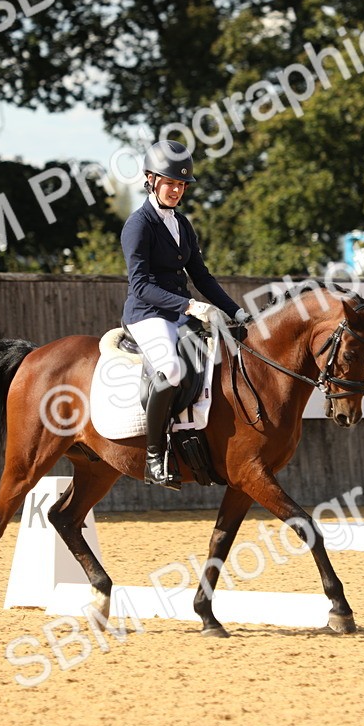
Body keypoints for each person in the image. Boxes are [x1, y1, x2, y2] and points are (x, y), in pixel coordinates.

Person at [121, 140, 250, 489]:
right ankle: (154, 457)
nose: (177, 190)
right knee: (172, 369)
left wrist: (237, 311)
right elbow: (141, 285)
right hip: (148, 314)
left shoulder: (182, 224)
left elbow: (202, 278)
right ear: (151, 180)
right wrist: (189, 306)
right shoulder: (138, 225)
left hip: (179, 312)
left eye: (181, 185)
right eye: (170, 183)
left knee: (224, 352)